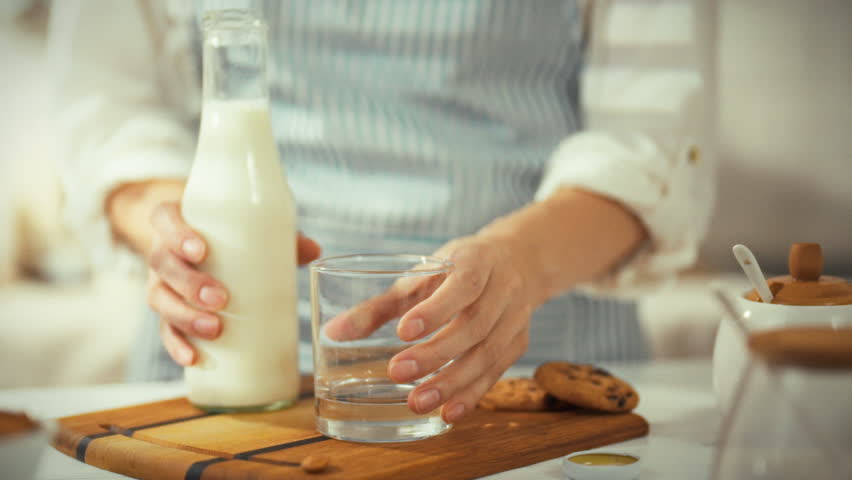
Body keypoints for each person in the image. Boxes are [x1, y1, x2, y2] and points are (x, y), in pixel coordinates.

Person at [51, 0, 715, 424]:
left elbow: (649, 148)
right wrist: (169, 227)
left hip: (535, 353)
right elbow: (107, 111)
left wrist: (516, 263)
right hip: (220, 363)